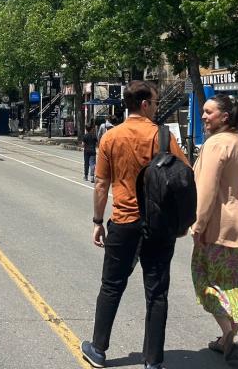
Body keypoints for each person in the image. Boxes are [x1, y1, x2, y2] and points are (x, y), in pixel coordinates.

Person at [81, 80, 188, 369]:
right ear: (144, 104)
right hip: (159, 226)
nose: (155, 107)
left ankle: (98, 349)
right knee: (157, 293)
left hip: (124, 222)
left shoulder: (111, 137)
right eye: (154, 102)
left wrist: (97, 221)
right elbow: (184, 176)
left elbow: (101, 184)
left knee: (112, 286)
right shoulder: (163, 137)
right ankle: (153, 360)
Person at [191, 94, 238, 360]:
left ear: (224, 117)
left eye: (208, 112)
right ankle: (228, 337)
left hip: (221, 227)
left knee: (206, 280)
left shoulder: (216, 144)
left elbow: (206, 190)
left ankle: (227, 332)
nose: (203, 116)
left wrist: (198, 225)